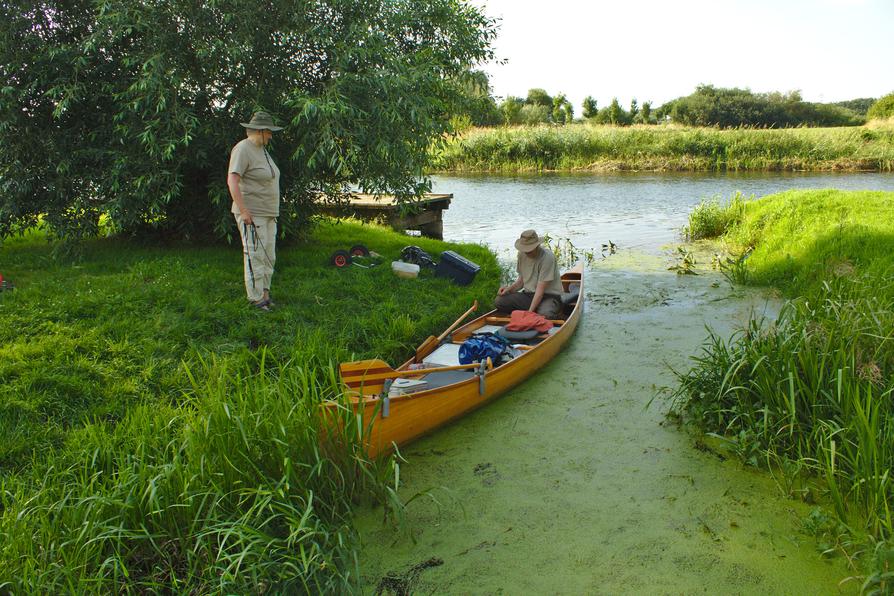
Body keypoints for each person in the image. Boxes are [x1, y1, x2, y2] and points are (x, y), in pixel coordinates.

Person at [227, 111, 283, 311]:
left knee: (269, 255)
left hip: (269, 213)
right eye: (269, 132)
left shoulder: (262, 150)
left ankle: (265, 294)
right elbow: (232, 180)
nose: (271, 136)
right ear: (260, 131)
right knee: (254, 254)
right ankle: (256, 298)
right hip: (252, 212)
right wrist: (244, 211)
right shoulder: (243, 149)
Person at [495, 229, 564, 319]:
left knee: (545, 314)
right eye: (525, 249)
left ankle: (550, 311)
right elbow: (521, 281)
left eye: (530, 249)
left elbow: (540, 291)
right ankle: (534, 312)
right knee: (499, 301)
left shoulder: (547, 257)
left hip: (549, 297)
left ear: (537, 245)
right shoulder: (521, 254)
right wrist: (508, 290)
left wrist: (529, 313)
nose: (527, 252)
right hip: (528, 295)